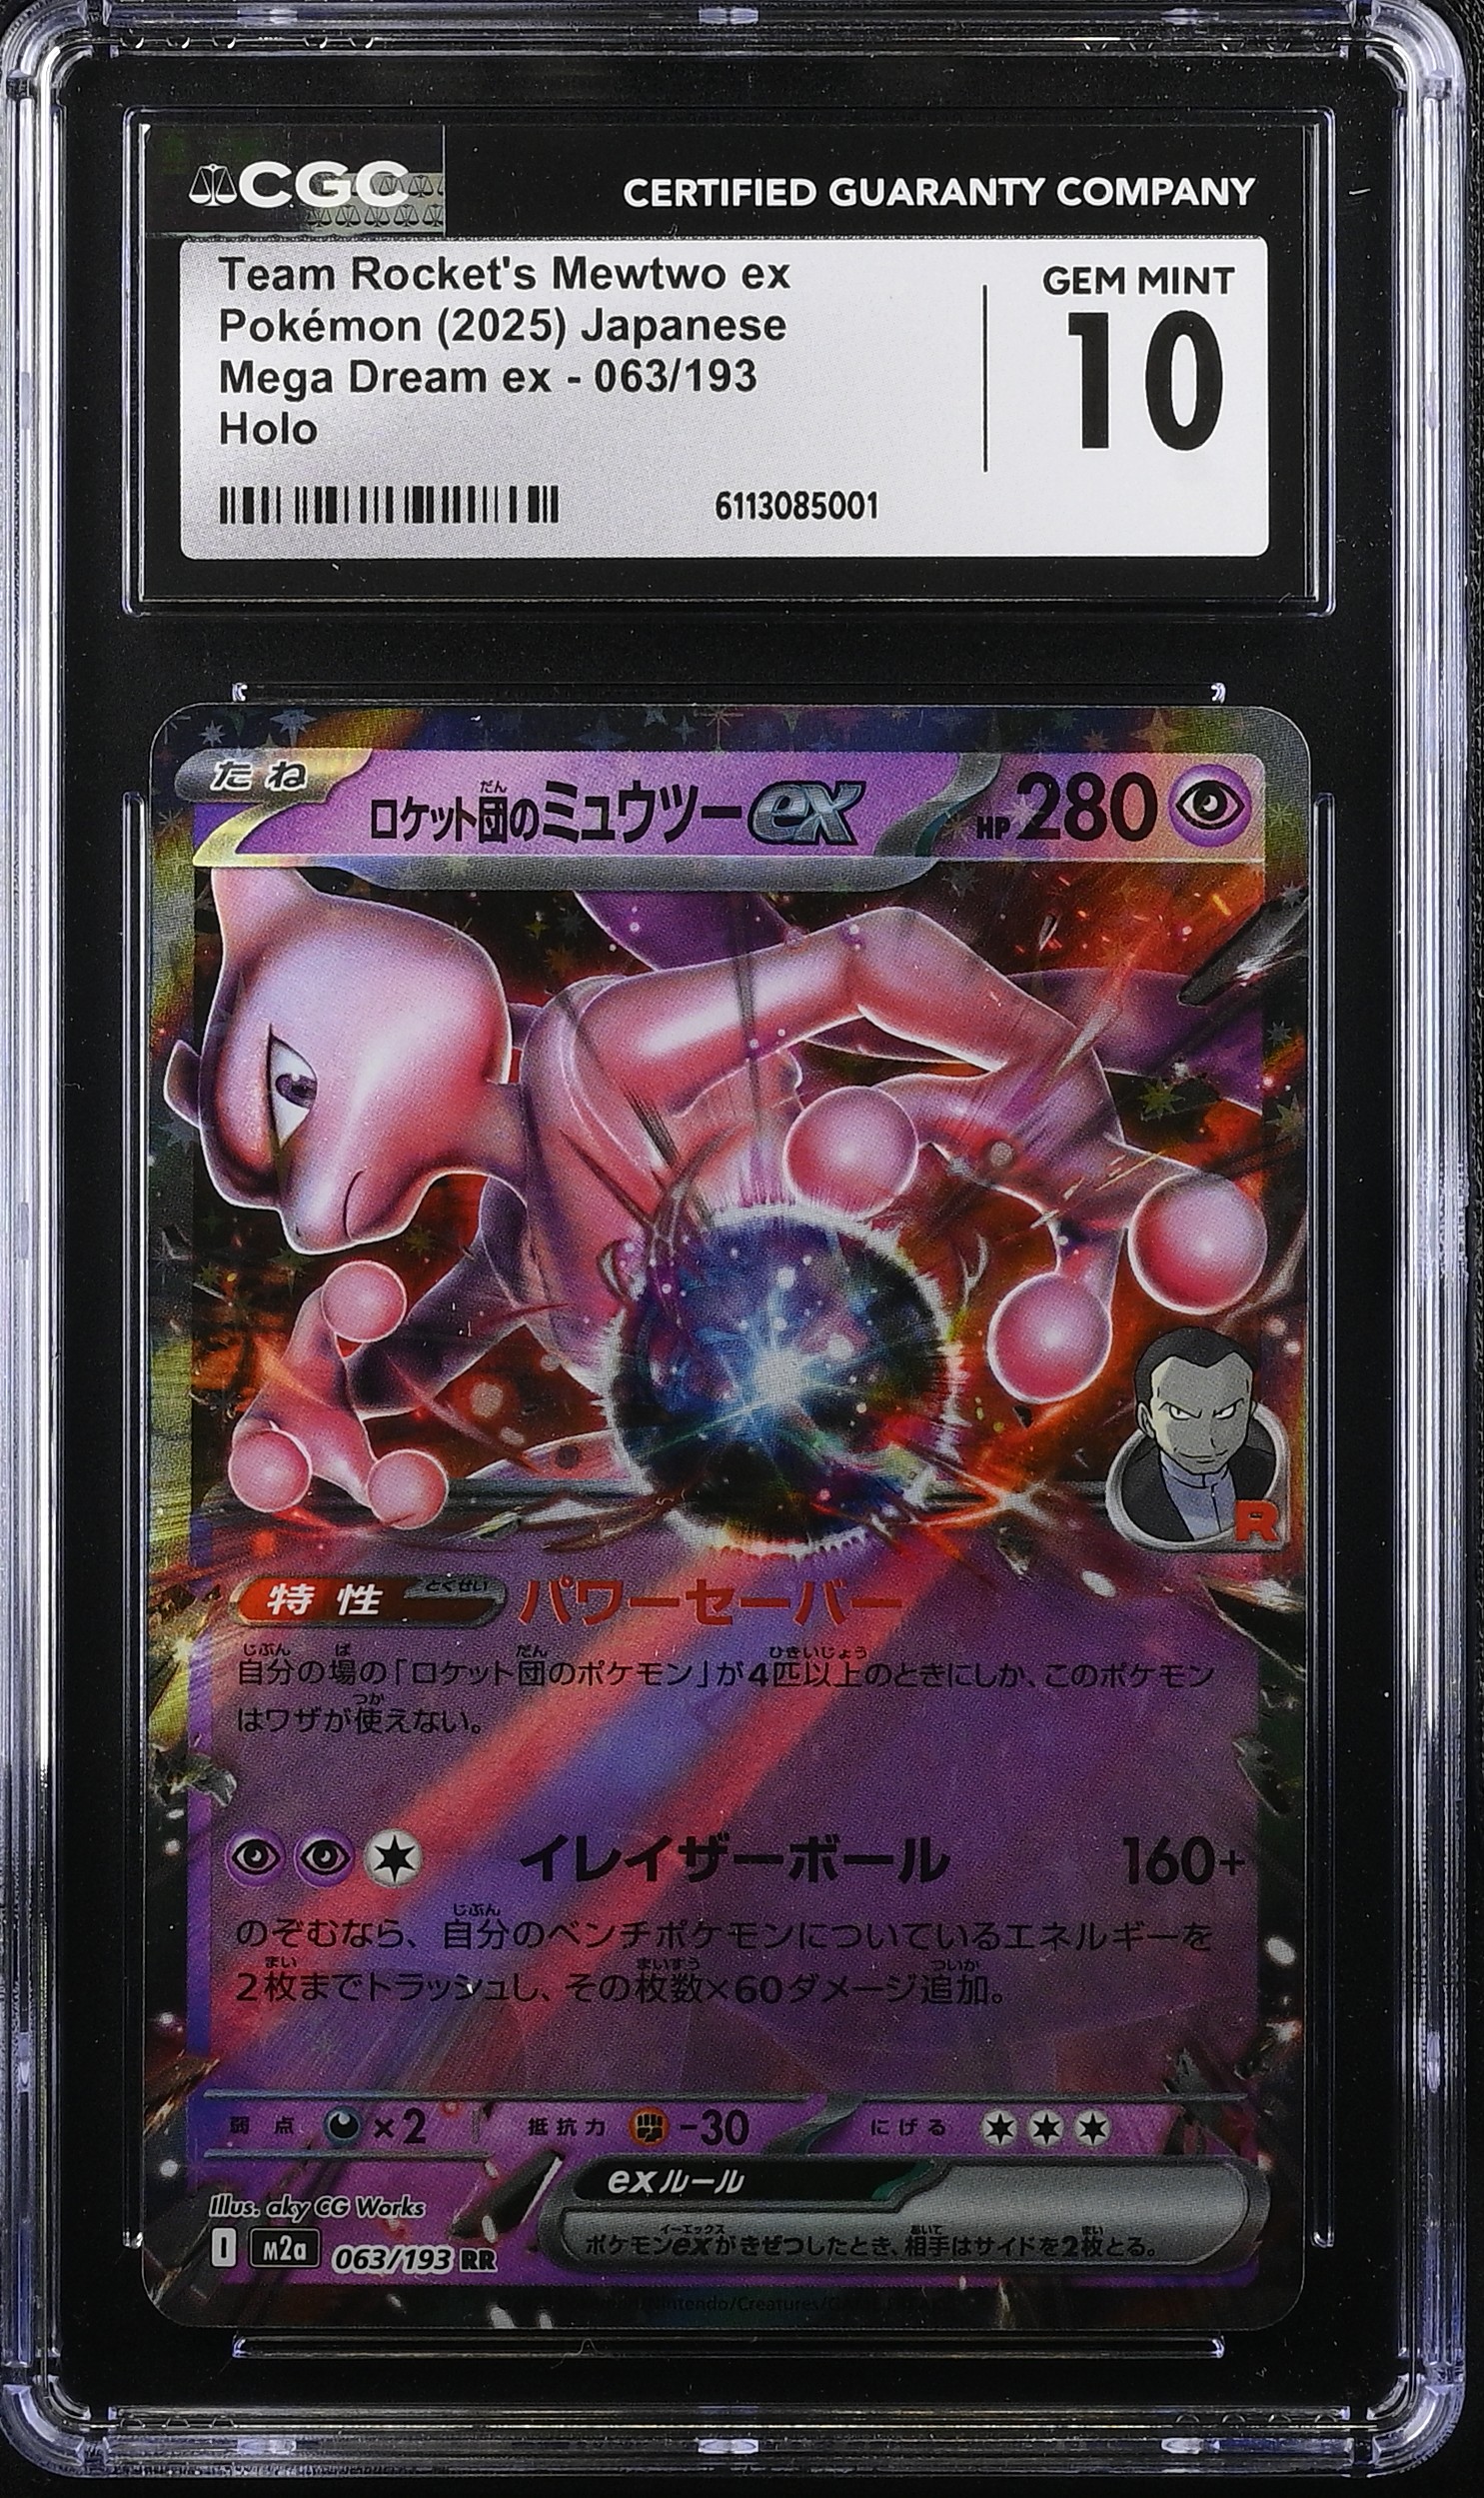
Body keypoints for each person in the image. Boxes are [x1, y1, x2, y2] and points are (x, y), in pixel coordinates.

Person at [1108, 1326, 1280, 1549]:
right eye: (1180, 1414)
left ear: (1249, 1410)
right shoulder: (1133, 1499)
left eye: (1226, 1413)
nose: (1207, 1440)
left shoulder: (1271, 1473)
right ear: (1147, 1420)